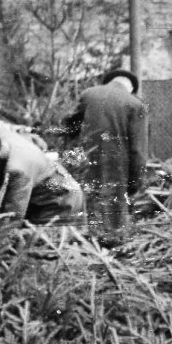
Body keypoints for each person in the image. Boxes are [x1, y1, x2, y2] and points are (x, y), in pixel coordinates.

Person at [68, 68, 149, 241]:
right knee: (114, 223)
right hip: (117, 166)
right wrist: (135, 182)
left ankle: (85, 243)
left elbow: (70, 128)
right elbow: (138, 150)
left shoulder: (88, 94)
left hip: (85, 161)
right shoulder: (135, 104)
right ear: (131, 88)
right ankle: (112, 248)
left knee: (86, 208)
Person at [0, 128, 83, 225]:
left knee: (41, 243)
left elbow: (14, 214)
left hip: (60, 200)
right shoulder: (3, 135)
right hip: (48, 188)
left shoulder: (18, 170)